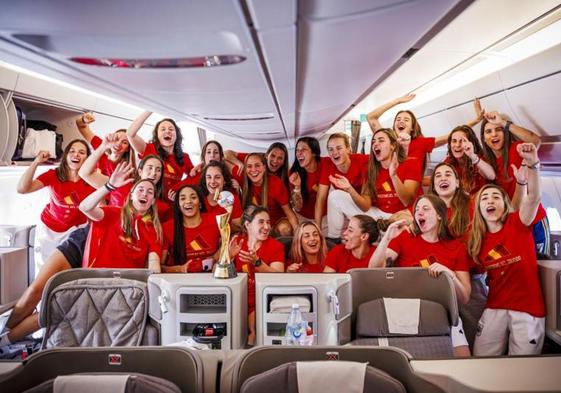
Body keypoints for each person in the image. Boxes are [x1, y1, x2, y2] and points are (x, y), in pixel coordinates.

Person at [369, 195, 472, 356]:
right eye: (417, 210)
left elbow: (464, 297)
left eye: (425, 208)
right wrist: (387, 238)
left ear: (439, 215)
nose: (419, 213)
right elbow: (374, 269)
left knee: (463, 358)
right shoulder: (404, 238)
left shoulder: (456, 248)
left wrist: (449, 274)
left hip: (444, 315)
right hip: (407, 312)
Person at [469, 143, 545, 356]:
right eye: (484, 198)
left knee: (522, 370)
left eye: (495, 197)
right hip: (495, 307)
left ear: (505, 204)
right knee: (481, 360)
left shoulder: (518, 223)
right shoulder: (477, 240)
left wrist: (533, 166)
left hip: (528, 311)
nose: (489, 201)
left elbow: (533, 198)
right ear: (479, 209)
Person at [16, 140, 94, 274]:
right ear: (65, 156)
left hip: (75, 231)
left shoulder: (92, 179)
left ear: (87, 158)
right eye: (72, 151)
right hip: (49, 230)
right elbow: (22, 189)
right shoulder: (54, 175)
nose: (76, 155)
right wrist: (36, 162)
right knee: (44, 273)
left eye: (82, 152)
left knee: (69, 273)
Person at [326, 128, 421, 239]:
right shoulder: (371, 170)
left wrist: (393, 176)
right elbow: (365, 206)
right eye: (373, 142)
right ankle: (333, 239)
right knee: (335, 196)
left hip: (403, 215)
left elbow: (407, 201)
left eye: (381, 140)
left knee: (403, 227)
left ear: (393, 145)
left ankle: (380, 233)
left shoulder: (411, 163)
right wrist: (349, 189)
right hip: (379, 216)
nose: (376, 144)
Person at [480, 111, 549, 257]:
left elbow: (535, 141)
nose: (494, 135)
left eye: (498, 129)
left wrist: (503, 122)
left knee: (542, 266)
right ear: (483, 138)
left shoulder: (516, 149)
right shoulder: (485, 163)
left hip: (534, 220)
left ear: (505, 133)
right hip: (512, 224)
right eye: (488, 131)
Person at [80, 163, 163, 271]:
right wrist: (109, 186)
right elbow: (85, 207)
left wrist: (154, 282)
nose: (145, 194)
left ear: (152, 201)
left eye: (150, 192)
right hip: (98, 280)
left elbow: (154, 262)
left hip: (130, 284)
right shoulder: (113, 213)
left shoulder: (154, 230)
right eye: (140, 190)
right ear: (131, 195)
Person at [366, 94, 484, 170]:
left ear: (412, 127)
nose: (401, 121)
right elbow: (371, 117)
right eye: (398, 119)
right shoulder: (386, 140)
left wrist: (476, 120)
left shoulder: (421, 142)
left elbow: (453, 134)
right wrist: (398, 101)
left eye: (406, 120)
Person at [230, 206, 285, 345]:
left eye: (268, 222)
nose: (267, 227)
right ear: (247, 225)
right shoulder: (235, 242)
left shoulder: (276, 246)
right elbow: (215, 273)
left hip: (262, 300)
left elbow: (279, 276)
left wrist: (258, 263)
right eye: (261, 222)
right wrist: (228, 257)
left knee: (252, 334)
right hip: (237, 299)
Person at [126, 111, 194, 203]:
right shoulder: (149, 149)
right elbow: (130, 134)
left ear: (177, 135)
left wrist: (179, 189)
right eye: (163, 129)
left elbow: (194, 177)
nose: (167, 131)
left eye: (171, 129)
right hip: (149, 202)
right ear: (157, 135)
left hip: (172, 204)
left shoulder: (184, 157)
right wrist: (150, 109)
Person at [315, 133, 369, 232]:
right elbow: (320, 198)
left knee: (335, 195)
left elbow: (366, 205)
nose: (334, 152)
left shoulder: (363, 161)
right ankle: (333, 239)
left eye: (339, 148)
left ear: (348, 149)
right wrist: (317, 229)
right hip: (348, 207)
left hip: (367, 207)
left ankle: (334, 237)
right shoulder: (328, 165)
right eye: (330, 149)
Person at [162, 185, 221, 273]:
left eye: (193, 197)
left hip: (211, 280)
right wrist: (179, 269)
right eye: (183, 198)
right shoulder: (167, 227)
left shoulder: (216, 220)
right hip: (180, 281)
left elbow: (229, 240)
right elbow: (158, 267)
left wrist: (215, 259)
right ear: (178, 205)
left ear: (200, 203)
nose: (188, 201)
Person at [242, 153, 298, 236]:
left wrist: (298, 235)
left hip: (276, 224)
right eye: (249, 166)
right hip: (255, 224)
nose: (253, 170)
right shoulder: (242, 179)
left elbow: (289, 212)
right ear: (245, 169)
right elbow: (227, 154)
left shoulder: (276, 183)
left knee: (285, 228)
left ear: (264, 167)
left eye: (257, 165)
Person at [75, 112, 133, 177]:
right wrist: (84, 119)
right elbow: (80, 126)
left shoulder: (126, 168)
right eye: (117, 138)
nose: (118, 143)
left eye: (124, 142)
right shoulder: (102, 146)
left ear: (128, 148)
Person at [445, 125, 495, 195]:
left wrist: (472, 156)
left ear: (470, 143)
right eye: (454, 141)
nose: (457, 145)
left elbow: (492, 176)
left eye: (462, 141)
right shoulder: (449, 162)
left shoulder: (478, 158)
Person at [288, 137, 324, 224]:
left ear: (314, 153)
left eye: (303, 149)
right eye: (297, 150)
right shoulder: (293, 174)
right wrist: (297, 187)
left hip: (324, 217)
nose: (299, 153)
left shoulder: (325, 164)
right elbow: (297, 207)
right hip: (302, 218)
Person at [199, 161, 243, 231]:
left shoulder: (233, 199)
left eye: (217, 177)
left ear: (224, 180)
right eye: (209, 177)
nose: (212, 181)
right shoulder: (198, 199)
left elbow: (238, 227)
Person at [225, 142, 290, 188]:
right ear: (267, 155)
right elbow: (226, 153)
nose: (275, 160)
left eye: (280, 158)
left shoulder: (286, 176)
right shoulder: (256, 159)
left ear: (284, 161)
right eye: (272, 156)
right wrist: (239, 163)